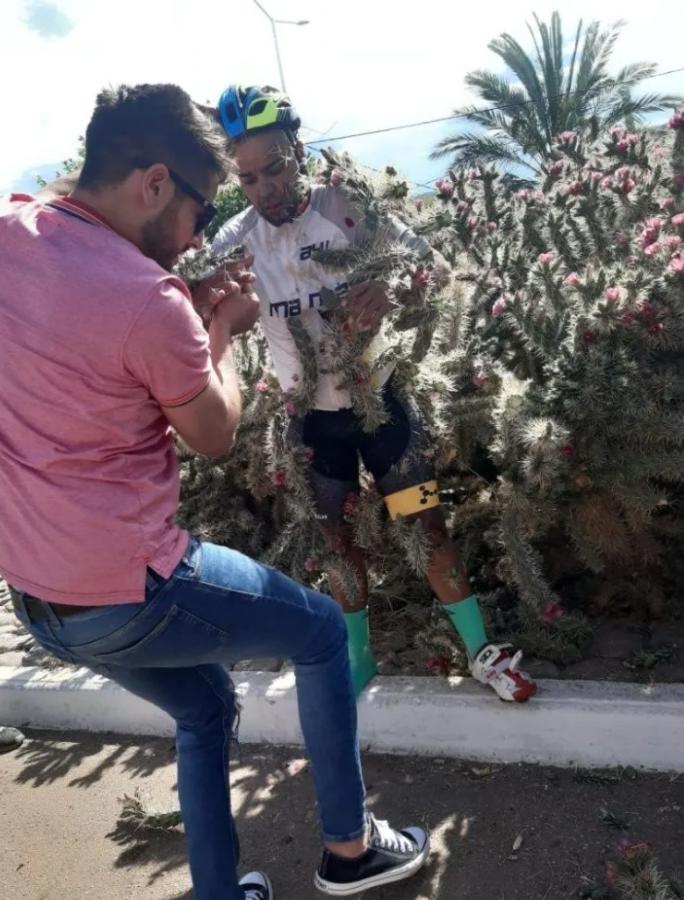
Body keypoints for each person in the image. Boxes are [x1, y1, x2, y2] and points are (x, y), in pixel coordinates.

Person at [0, 83, 431, 900]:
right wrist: (221, 329)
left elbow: (82, 351)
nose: (201, 233)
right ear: (155, 184)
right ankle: (350, 850)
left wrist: (180, 324)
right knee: (320, 632)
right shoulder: (147, 295)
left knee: (202, 709)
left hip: (39, 601)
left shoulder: (11, 233)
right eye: (201, 208)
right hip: (134, 586)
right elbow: (213, 430)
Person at [211, 85, 537, 702]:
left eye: (274, 167)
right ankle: (359, 660)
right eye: (248, 178)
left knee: (427, 529)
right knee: (339, 547)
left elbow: (434, 266)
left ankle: (479, 651)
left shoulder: (347, 206)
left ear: (298, 149)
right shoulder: (236, 239)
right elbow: (182, 290)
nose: (265, 189)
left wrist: (394, 288)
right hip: (311, 423)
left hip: (382, 405)